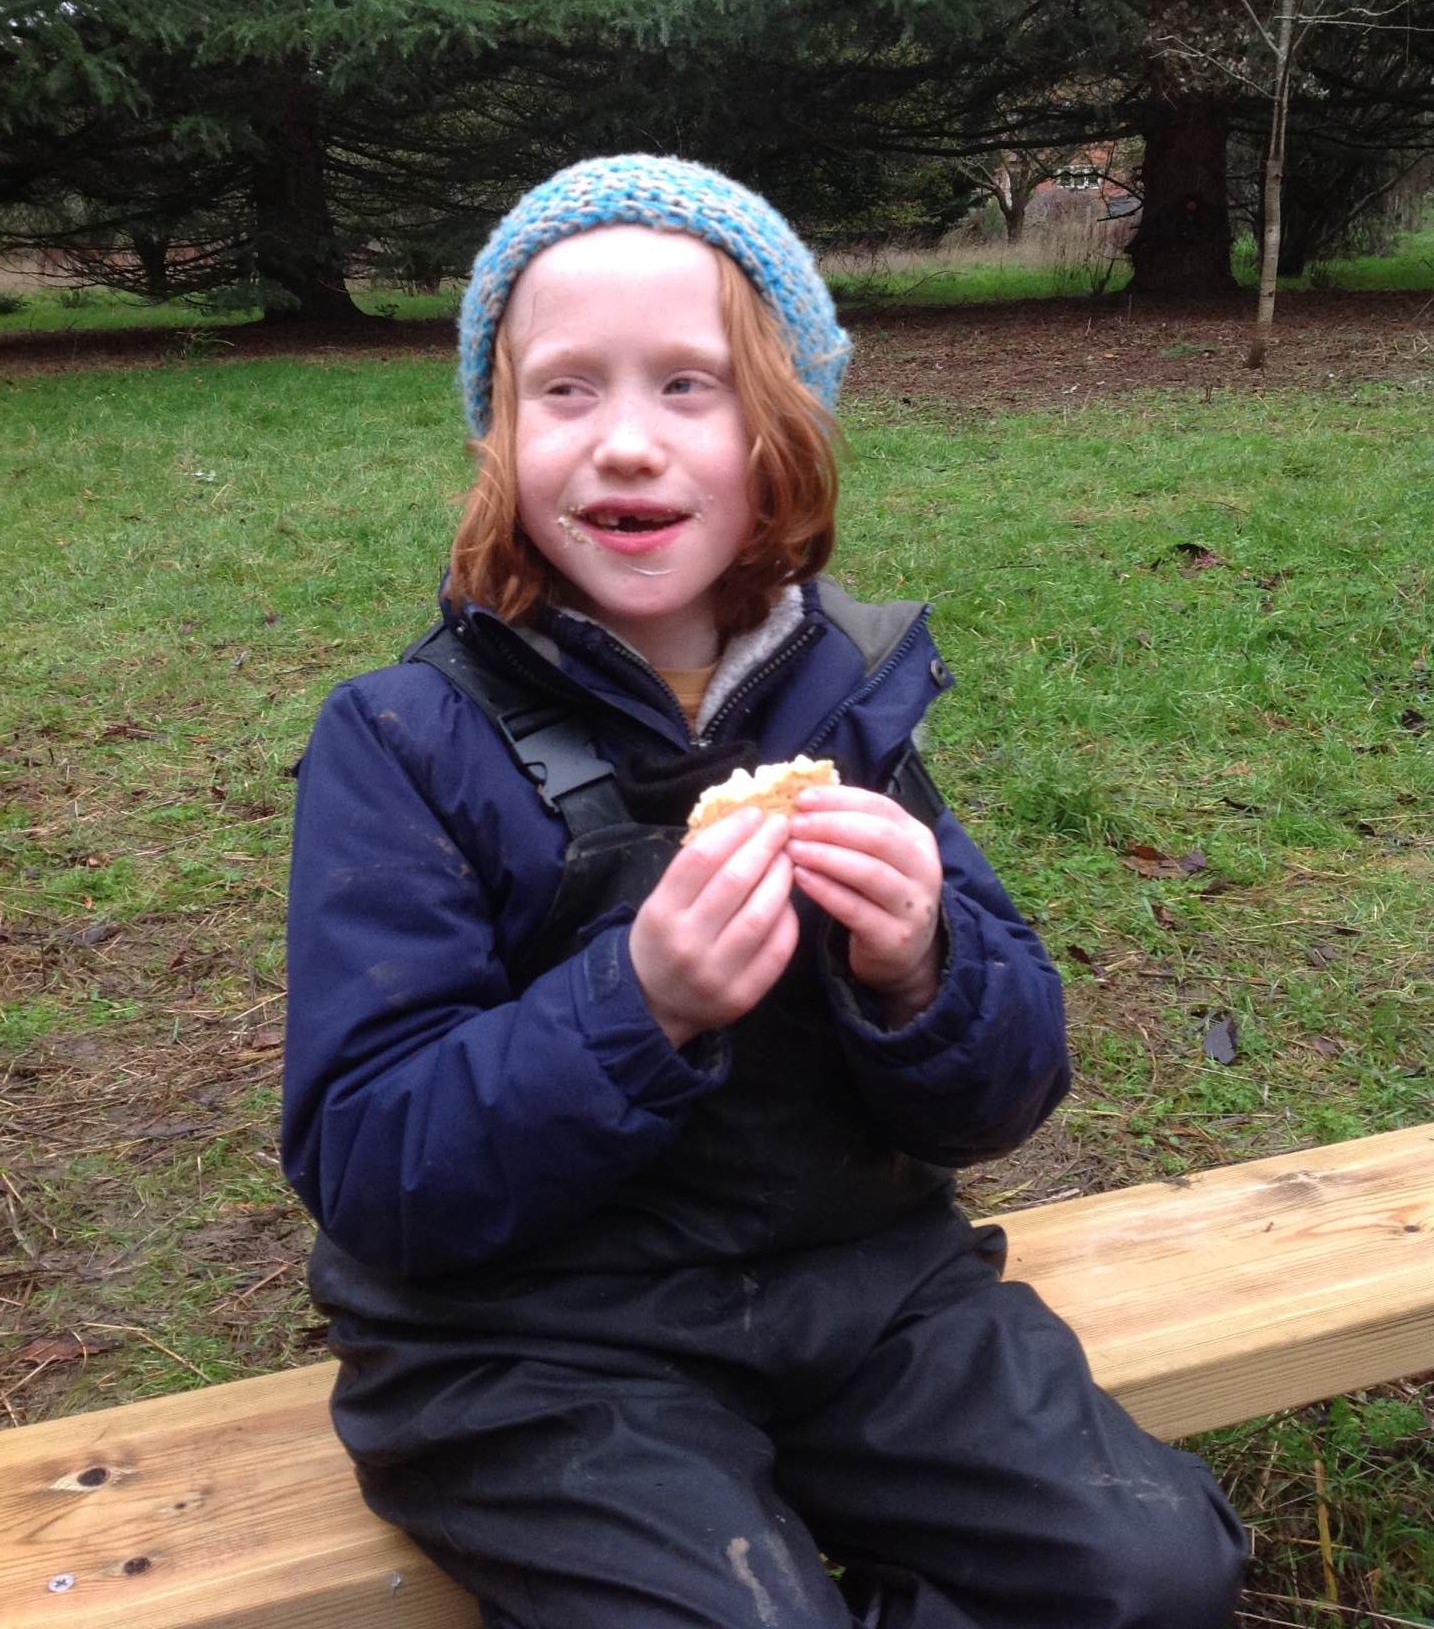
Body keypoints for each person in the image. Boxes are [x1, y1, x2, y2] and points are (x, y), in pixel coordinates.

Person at [281, 155, 1247, 1629]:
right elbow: (371, 1164)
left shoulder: (844, 707)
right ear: (498, 435)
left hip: (861, 1290)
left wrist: (919, 970)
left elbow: (1001, 1098)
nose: (624, 444)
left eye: (690, 386)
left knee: (1150, 1572)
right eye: (564, 391)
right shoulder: (404, 741)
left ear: (782, 433)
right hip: (530, 1345)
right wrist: (639, 1006)